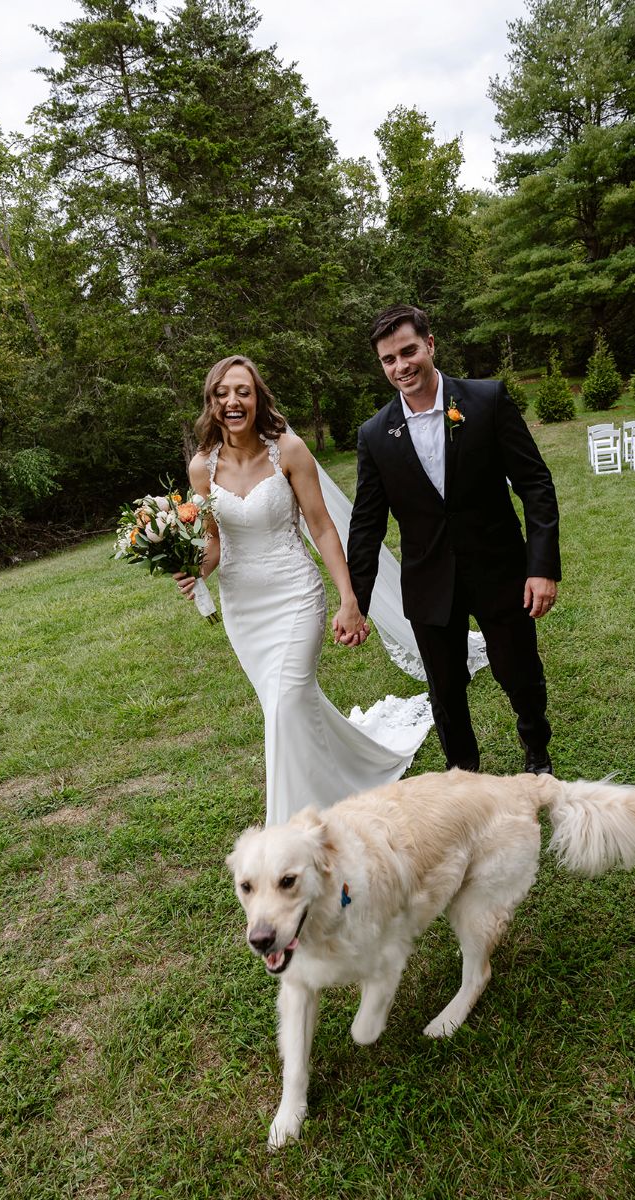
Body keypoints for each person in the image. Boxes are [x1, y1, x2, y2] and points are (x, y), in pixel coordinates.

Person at [174, 354, 432, 824]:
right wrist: (195, 569)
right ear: (211, 403)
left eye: (242, 392)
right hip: (244, 609)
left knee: (287, 703)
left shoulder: (288, 450)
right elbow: (213, 542)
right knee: (285, 707)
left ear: (258, 398)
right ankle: (351, 773)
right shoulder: (201, 468)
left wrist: (349, 599)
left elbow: (324, 528)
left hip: (294, 595)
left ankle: (292, 827)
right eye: (222, 394)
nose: (233, 402)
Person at [346, 304, 561, 775]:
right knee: (444, 688)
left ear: (430, 344)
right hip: (427, 580)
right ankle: (463, 772)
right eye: (388, 360)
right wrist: (355, 600)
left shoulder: (487, 401)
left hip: (500, 568)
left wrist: (541, 567)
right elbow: (366, 524)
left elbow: (535, 485)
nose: (401, 367)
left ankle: (537, 754)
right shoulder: (375, 435)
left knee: (518, 672)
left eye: (408, 352)